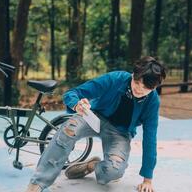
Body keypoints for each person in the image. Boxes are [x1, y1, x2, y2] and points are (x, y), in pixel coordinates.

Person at [26, 56, 166, 192]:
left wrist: (147, 179)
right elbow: (72, 93)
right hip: (93, 117)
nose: (139, 90)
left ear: (154, 88)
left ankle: (93, 165)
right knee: (68, 129)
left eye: (146, 88)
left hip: (120, 132)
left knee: (113, 171)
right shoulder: (115, 79)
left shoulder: (152, 102)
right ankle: (37, 183)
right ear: (133, 74)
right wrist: (77, 105)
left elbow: (150, 139)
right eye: (137, 83)